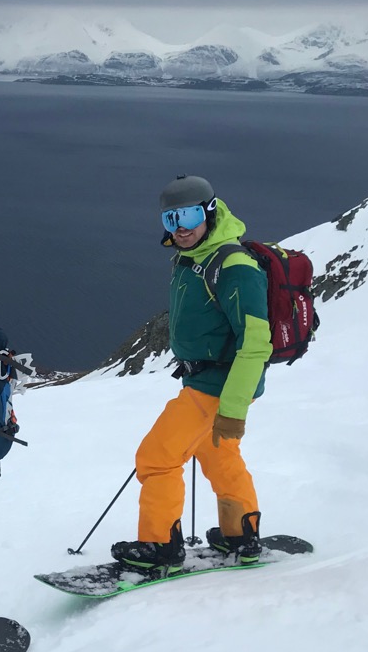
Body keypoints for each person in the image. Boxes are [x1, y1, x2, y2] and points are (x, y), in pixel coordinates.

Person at [110, 175, 273, 573]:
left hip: (219, 385)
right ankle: (241, 535)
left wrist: (234, 408)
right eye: (170, 219)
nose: (180, 227)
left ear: (209, 213)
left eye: (187, 216)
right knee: (217, 454)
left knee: (158, 457)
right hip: (208, 380)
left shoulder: (234, 266)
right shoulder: (195, 258)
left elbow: (255, 345)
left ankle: (160, 546)